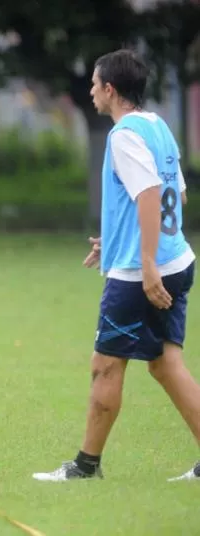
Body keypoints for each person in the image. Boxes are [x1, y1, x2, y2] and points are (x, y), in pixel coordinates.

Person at [32, 49, 200, 482]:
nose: (89, 90)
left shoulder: (123, 135)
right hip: (179, 260)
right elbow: (174, 198)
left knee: (105, 365)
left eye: (93, 83)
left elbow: (148, 196)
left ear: (110, 89)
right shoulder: (158, 125)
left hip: (140, 275)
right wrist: (116, 241)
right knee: (166, 364)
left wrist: (144, 265)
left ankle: (85, 467)